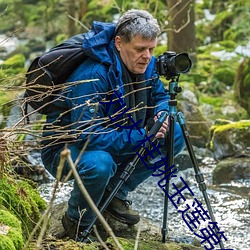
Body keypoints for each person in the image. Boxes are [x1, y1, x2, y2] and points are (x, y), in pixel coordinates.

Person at [41, 9, 185, 241]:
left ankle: (115, 193)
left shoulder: (146, 64)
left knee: (175, 132)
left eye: (151, 49)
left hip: (118, 136)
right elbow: (87, 135)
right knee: (100, 164)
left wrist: (161, 114)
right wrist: (143, 136)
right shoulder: (92, 75)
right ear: (119, 43)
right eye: (140, 49)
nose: (147, 56)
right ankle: (76, 221)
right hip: (67, 150)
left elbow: (159, 96)